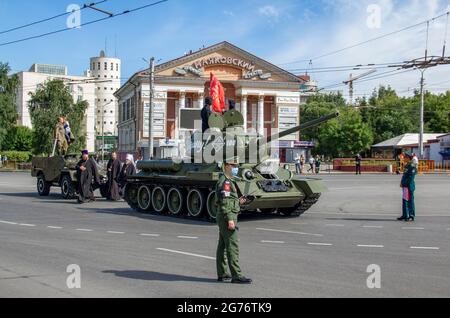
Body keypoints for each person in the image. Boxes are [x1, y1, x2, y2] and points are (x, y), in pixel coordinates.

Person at [215, 157, 252, 284]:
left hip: (225, 215)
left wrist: (238, 201)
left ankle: (223, 274)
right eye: (233, 165)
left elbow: (228, 200)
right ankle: (236, 276)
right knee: (232, 246)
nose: (236, 168)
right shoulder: (225, 182)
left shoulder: (228, 180)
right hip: (227, 216)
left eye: (237, 165)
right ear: (226, 165)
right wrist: (230, 219)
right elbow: (224, 201)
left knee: (223, 246)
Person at [398, 153, 418, 222]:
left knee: (409, 201)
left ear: (409, 158)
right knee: (405, 200)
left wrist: (404, 184)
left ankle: (410, 215)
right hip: (405, 186)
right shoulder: (406, 166)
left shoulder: (412, 166)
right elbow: (404, 176)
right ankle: (405, 215)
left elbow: (411, 178)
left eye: (405, 157)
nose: (404, 158)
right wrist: (401, 182)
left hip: (408, 186)